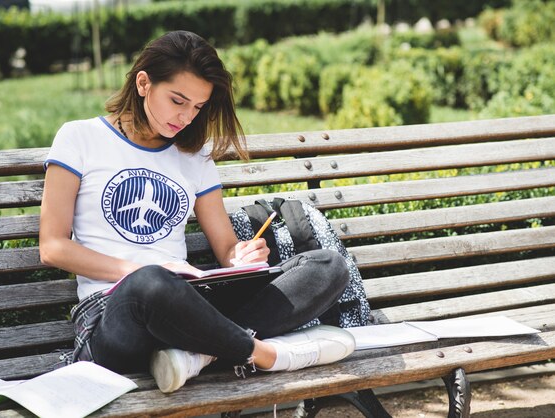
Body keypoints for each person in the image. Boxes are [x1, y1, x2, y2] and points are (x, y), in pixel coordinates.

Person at [40, 30, 355, 394]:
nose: (186, 117)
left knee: (327, 265)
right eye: (178, 100)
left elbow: (225, 248)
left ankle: (196, 356)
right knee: (150, 284)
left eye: (198, 107)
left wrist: (243, 255)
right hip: (114, 314)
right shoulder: (80, 137)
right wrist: (144, 270)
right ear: (144, 83)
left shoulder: (195, 156)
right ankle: (264, 355)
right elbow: (52, 247)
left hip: (188, 302)